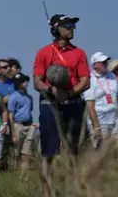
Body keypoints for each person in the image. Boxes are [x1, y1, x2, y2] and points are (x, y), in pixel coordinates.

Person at [33, 14, 90, 197]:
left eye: (72, 25)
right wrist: (50, 89)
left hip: (73, 103)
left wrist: (70, 92)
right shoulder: (43, 52)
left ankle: (74, 191)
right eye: (67, 25)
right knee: (48, 153)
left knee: (75, 151)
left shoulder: (79, 53)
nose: (71, 28)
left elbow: (85, 81)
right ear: (56, 29)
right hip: (50, 105)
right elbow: (37, 82)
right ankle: (47, 194)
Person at [84, 52, 118, 149]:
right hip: (100, 122)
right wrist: (96, 127)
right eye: (103, 62)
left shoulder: (112, 76)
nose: (106, 64)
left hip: (115, 120)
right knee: (101, 150)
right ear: (95, 65)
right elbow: (90, 106)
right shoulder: (90, 79)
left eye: (106, 62)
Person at [7, 73, 34, 174]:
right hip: (18, 125)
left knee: (26, 153)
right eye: (23, 81)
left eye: (26, 81)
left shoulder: (29, 97)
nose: (26, 83)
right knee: (15, 152)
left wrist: (33, 124)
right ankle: (13, 172)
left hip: (29, 125)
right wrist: (13, 134)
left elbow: (29, 111)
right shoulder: (14, 97)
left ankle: (24, 174)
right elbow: (11, 115)